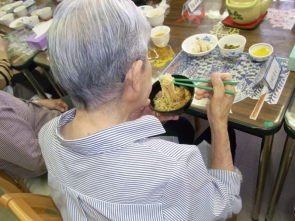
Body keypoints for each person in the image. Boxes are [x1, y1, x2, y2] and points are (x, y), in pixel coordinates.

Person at [39, 0, 242, 220]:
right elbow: (224, 205)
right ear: (135, 75)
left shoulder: (47, 134)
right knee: (223, 135)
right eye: (147, 57)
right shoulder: (174, 167)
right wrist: (219, 121)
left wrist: (129, 118)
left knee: (181, 127)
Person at [0, 91, 68, 194]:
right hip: (54, 159)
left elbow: (10, 106)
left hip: (52, 125)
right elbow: (36, 159)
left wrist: (38, 102)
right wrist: (76, 134)